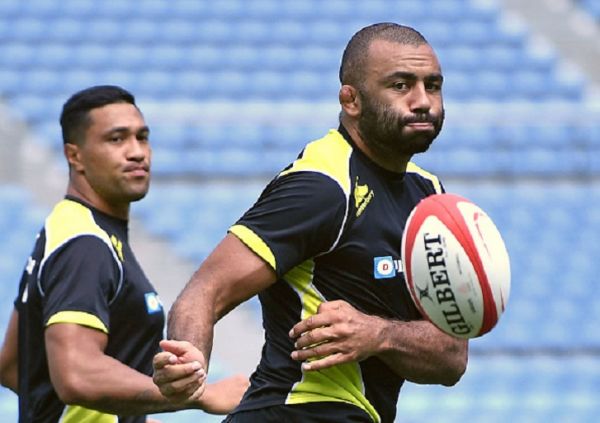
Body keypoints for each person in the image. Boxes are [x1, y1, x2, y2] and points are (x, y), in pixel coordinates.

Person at [152, 23, 468, 423]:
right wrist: (188, 359)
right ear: (350, 100)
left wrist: (378, 334)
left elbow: (451, 357)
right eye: (401, 85)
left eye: (433, 85)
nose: (423, 101)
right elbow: (205, 290)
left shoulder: (430, 196)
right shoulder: (322, 187)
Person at [0, 85, 248, 422]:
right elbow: (77, 375)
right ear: (74, 155)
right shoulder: (85, 244)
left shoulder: (71, 228)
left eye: (142, 137)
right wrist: (198, 395)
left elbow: (13, 366)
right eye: (116, 139)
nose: (136, 152)